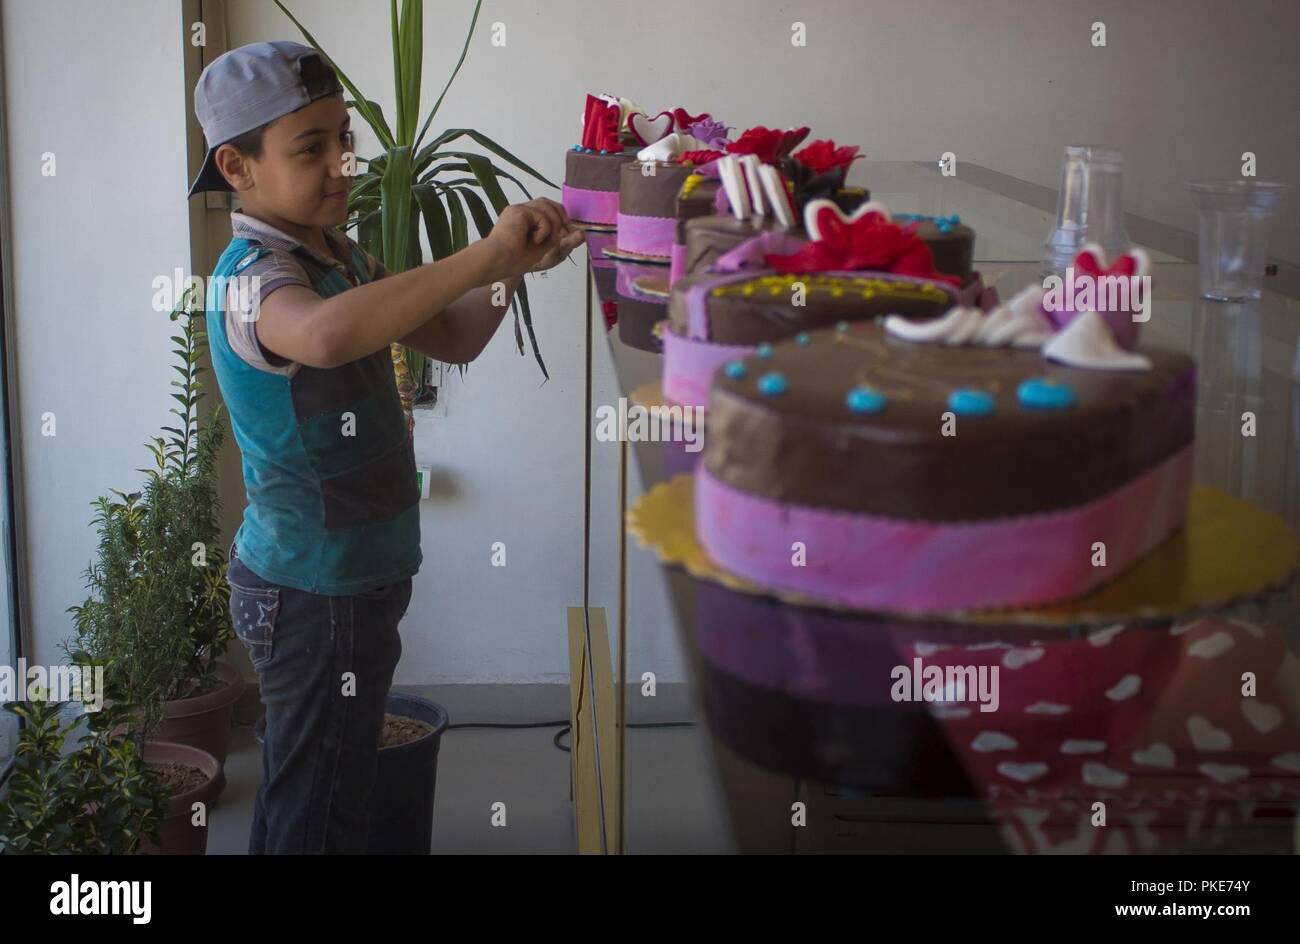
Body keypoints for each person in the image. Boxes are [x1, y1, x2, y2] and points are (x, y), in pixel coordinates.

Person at [187, 40, 583, 853]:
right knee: (316, 810)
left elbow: (452, 334)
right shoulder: (249, 279)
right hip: (309, 593)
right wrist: (486, 251)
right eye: (311, 149)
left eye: (344, 140)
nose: (342, 165)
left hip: (357, 585)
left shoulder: (338, 255)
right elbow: (325, 337)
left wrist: (516, 272)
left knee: (328, 798)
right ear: (237, 165)